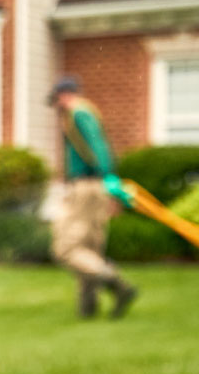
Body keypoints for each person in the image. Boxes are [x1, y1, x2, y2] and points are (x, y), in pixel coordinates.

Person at [47, 76, 137, 319]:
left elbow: (97, 144)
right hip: (95, 186)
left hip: (86, 187)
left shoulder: (78, 112)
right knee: (89, 249)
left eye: (56, 101)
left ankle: (118, 285)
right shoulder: (86, 112)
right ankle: (88, 309)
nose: (57, 107)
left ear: (64, 95)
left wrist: (108, 175)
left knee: (66, 249)